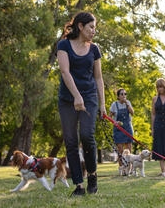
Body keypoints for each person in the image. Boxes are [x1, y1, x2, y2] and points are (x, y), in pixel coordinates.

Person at [57, 12, 106, 196]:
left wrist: (102, 104)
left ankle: (92, 174)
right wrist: (76, 97)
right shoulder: (63, 45)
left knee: (87, 135)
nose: (94, 31)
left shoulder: (94, 49)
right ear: (80, 27)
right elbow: (65, 72)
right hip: (67, 99)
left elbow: (98, 77)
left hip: (90, 97)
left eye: (95, 27)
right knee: (70, 141)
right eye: (91, 27)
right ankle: (79, 185)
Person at [109, 88, 134, 171]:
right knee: (120, 149)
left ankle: (129, 168)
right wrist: (115, 122)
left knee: (129, 148)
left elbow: (132, 113)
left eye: (125, 94)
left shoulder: (128, 103)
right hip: (118, 129)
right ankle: (121, 167)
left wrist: (127, 104)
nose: (124, 96)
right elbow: (110, 117)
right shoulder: (114, 104)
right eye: (122, 94)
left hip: (127, 127)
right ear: (118, 96)